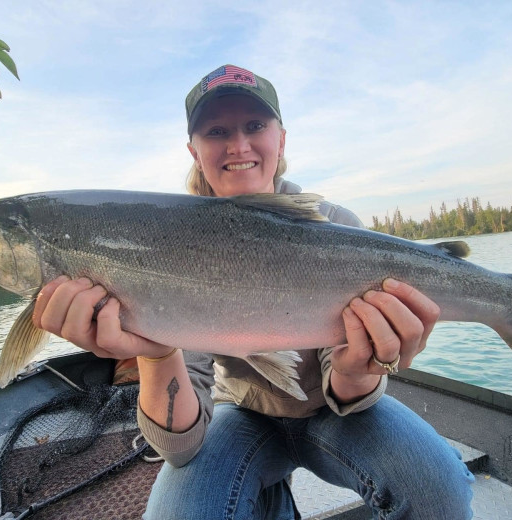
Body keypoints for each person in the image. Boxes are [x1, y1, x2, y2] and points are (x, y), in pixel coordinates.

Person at [32, 64, 474, 519]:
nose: (238, 145)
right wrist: (157, 353)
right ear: (194, 151)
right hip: (243, 413)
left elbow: (348, 394)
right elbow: (179, 447)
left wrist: (359, 367)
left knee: (440, 490)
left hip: (335, 411)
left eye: (255, 126)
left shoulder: (334, 226)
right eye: (217, 130)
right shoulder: (168, 244)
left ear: (281, 139)